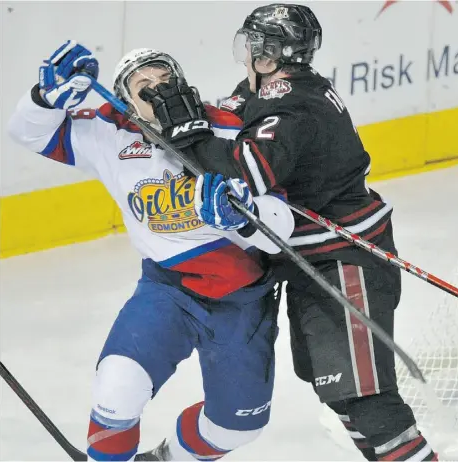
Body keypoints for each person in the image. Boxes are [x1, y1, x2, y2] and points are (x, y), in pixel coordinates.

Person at [142, 4, 439, 461]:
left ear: (266, 54)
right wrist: (180, 119)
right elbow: (232, 116)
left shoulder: (292, 106)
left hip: (345, 260)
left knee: (365, 398)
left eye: (251, 47)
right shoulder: (281, 88)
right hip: (315, 262)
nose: (245, 57)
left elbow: (244, 177)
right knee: (339, 391)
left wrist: (189, 139)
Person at [7, 41, 295, 461]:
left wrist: (246, 215)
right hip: (167, 291)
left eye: (166, 79)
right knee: (117, 387)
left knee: (235, 429)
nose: (159, 90)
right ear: (126, 104)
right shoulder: (111, 132)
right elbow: (27, 132)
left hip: (243, 300)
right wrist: (42, 99)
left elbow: (281, 230)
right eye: (144, 87)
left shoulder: (232, 131)